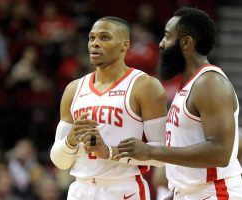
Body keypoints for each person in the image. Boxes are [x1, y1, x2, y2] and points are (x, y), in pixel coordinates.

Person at [116, 7, 242, 200]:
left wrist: (151, 151)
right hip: (191, 193)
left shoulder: (209, 82)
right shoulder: (187, 85)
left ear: (186, 43)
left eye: (167, 37)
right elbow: (189, 154)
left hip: (217, 193)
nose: (161, 44)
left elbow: (220, 153)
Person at [50, 16, 167, 200]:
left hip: (122, 189)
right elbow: (60, 161)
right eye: (92, 38)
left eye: (105, 37)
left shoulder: (145, 86)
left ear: (124, 45)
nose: (95, 44)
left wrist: (110, 152)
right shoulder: (74, 89)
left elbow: (161, 154)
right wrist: (69, 142)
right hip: (80, 189)